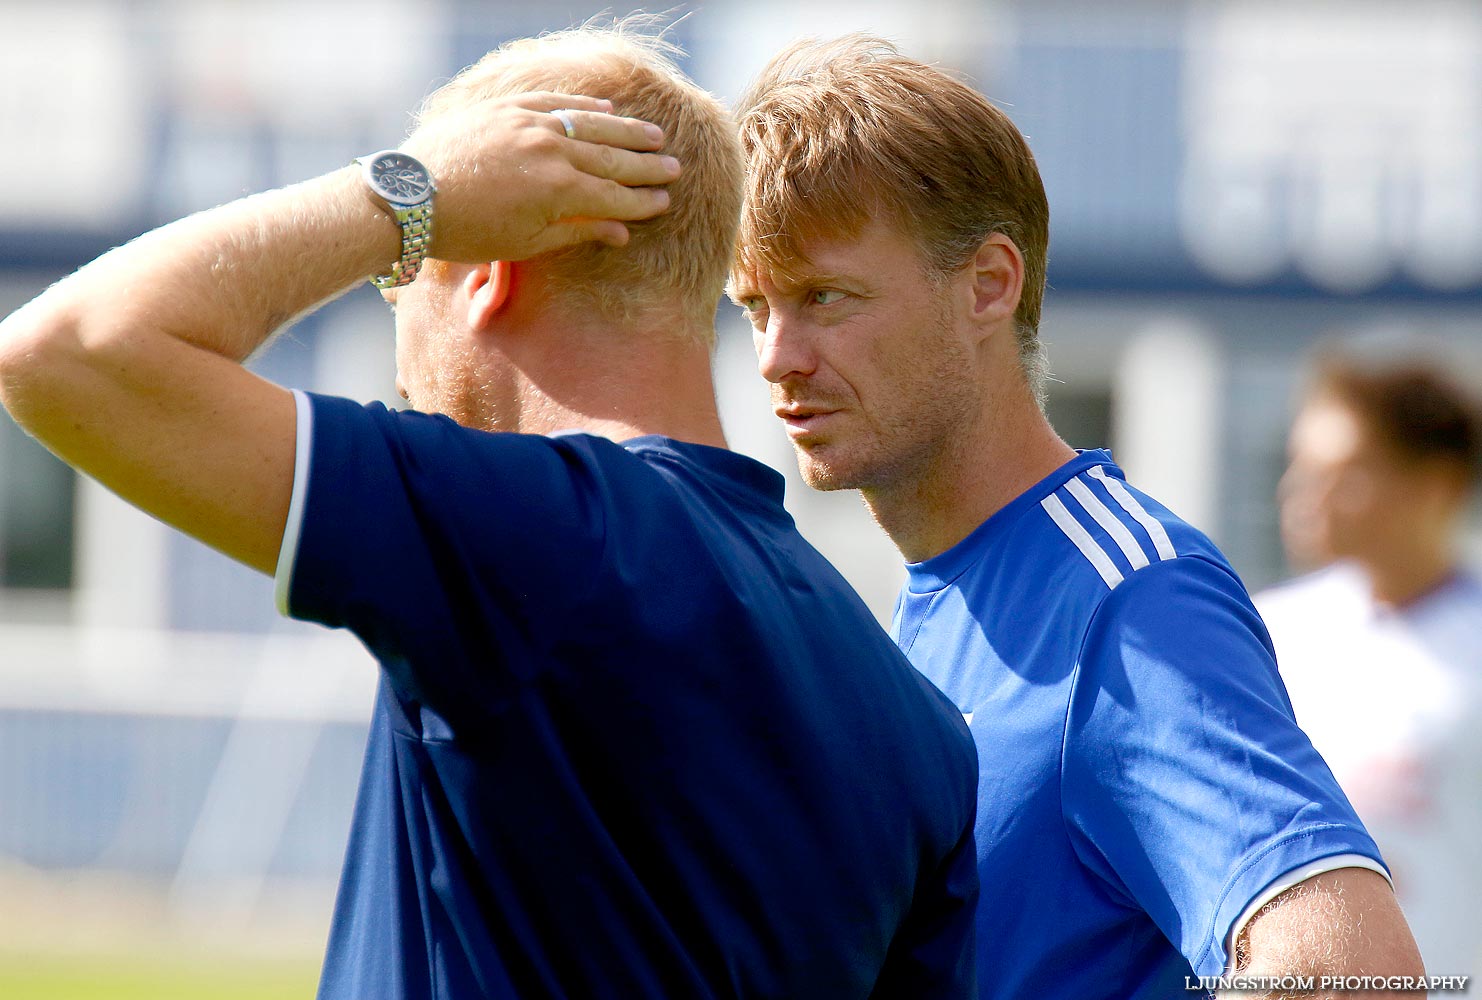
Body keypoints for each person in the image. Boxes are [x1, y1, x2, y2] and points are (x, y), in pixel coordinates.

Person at [0, 24, 980, 1000]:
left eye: (400, 275)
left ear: (488, 271)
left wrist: (401, 194)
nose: (396, 316)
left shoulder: (538, 535)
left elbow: (65, 354)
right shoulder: (913, 721)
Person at [727, 34, 1426, 999]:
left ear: (988, 283)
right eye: (757, 305)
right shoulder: (928, 604)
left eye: (824, 296)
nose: (776, 354)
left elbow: (1351, 974)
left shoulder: (1126, 596)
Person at [1257, 349, 1482, 983]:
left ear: (1436, 485)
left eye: (1346, 472)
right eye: (1301, 466)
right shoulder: (1265, 631)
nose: (1304, 493)